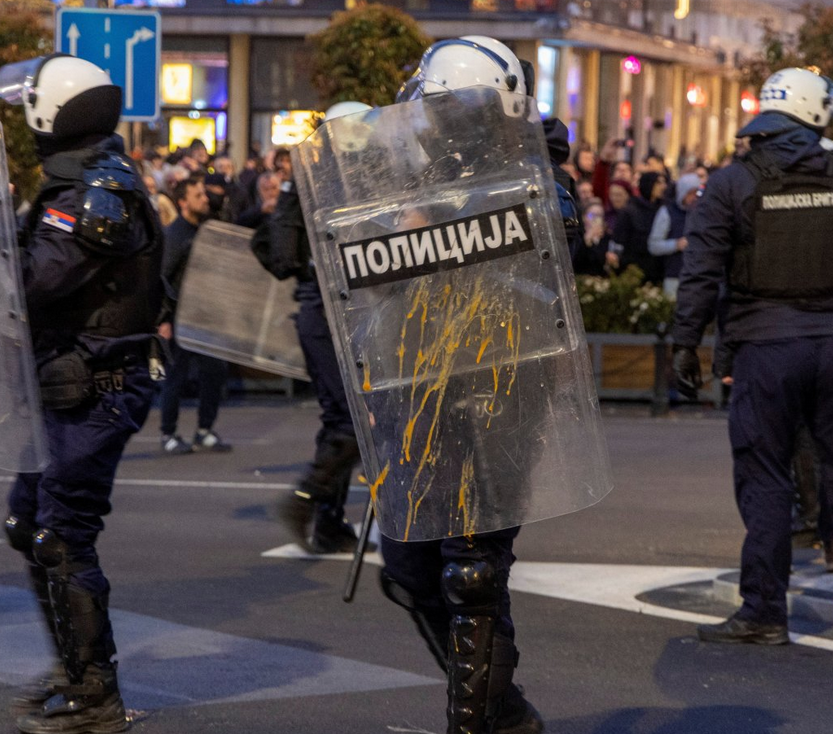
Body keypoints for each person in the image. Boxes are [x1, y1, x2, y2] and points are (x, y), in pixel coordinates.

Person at [672, 67, 833, 644]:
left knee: (765, 478)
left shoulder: (733, 184)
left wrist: (687, 344)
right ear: (815, 115)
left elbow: (701, 272)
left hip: (766, 349)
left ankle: (763, 610)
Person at [373, 36, 552, 733]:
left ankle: (476, 723)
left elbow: (554, 236)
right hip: (422, 388)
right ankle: (500, 708)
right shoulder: (413, 188)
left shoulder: (530, 176)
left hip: (505, 390)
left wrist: (440, 222)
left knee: (472, 572)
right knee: (409, 562)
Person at [0, 54, 166, 733]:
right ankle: (75, 667)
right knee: (28, 524)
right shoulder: (81, 183)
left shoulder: (99, 194)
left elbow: (36, 282)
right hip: (66, 384)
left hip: (98, 387)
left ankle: (96, 695)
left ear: (54, 112)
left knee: (61, 535)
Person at [264, 101, 372, 555]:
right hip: (331, 308)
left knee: (339, 418)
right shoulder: (335, 183)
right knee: (353, 418)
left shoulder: (309, 181)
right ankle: (306, 499)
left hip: (324, 308)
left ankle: (327, 521)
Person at [158, 175, 234, 455]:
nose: (205, 199)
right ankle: (168, 433)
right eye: (198, 196)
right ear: (183, 203)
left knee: (214, 372)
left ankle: (204, 430)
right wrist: (164, 319)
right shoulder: (176, 235)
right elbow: (163, 278)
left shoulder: (205, 229)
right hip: (181, 318)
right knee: (176, 376)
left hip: (206, 316)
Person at [648, 172, 700, 294]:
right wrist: (676, 245)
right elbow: (653, 245)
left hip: (696, 276)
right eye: (690, 193)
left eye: (696, 193)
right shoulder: (667, 212)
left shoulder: (700, 214)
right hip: (674, 275)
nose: (694, 197)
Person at [612, 171, 667, 285]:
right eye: (658, 183)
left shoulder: (663, 210)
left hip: (656, 270)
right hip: (634, 268)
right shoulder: (630, 211)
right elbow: (619, 240)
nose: (663, 186)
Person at [574, 201, 613, 276]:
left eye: (600, 216)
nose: (596, 219)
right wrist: (587, 239)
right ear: (584, 217)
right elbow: (576, 262)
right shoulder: (577, 236)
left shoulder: (607, 238)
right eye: (592, 215)